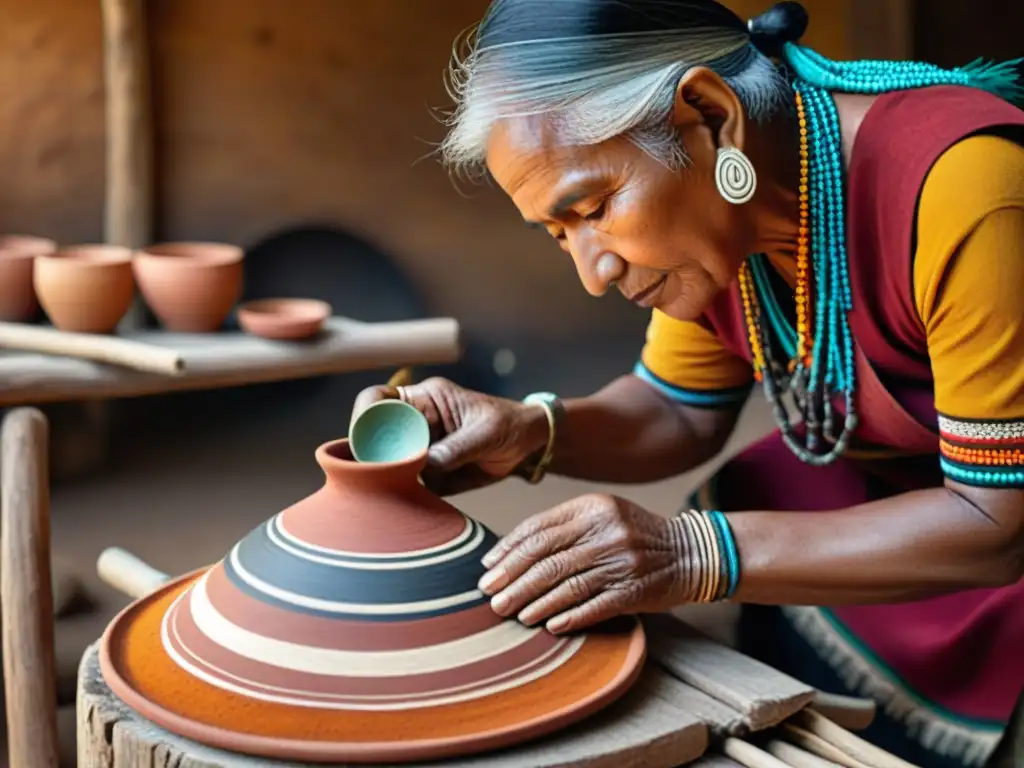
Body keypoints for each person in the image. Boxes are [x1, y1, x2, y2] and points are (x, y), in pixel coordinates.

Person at [351, 2, 1024, 765]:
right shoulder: (725, 227)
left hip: (990, 543)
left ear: (709, 115)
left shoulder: (965, 186)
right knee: (754, 495)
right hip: (901, 501)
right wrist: (529, 431)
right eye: (560, 233)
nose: (593, 272)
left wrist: (687, 553)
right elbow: (676, 408)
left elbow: (996, 521)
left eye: (596, 208)